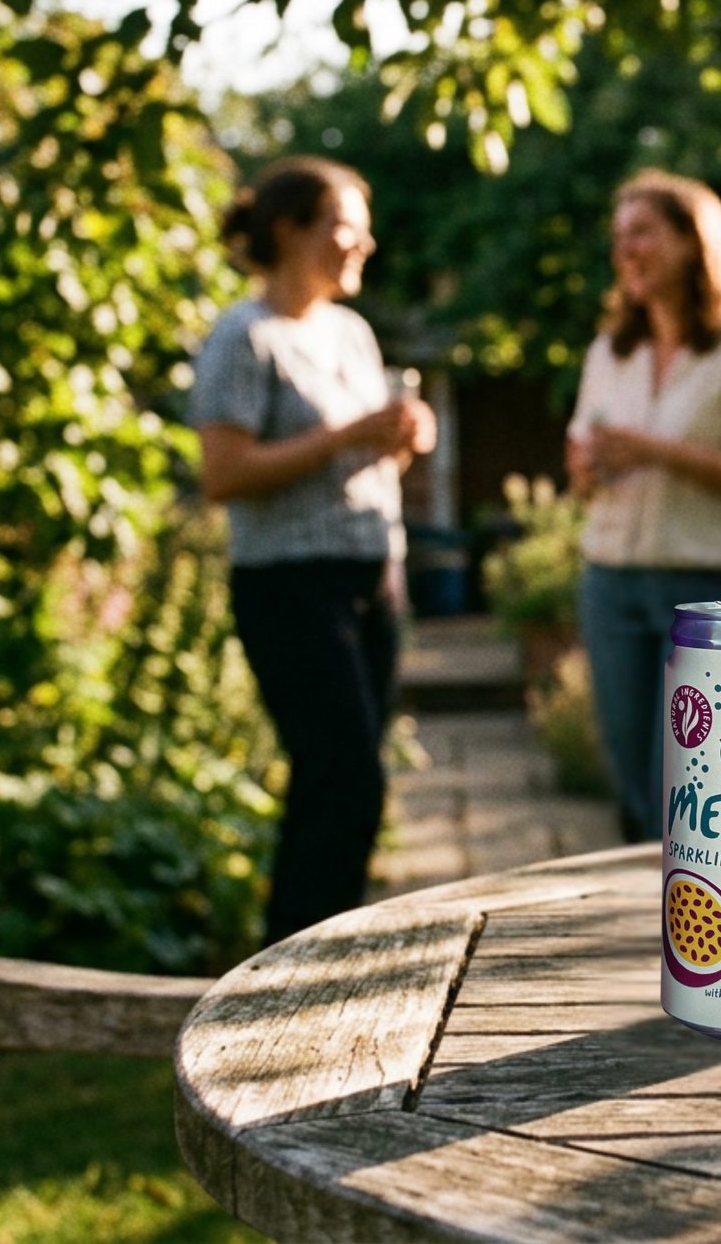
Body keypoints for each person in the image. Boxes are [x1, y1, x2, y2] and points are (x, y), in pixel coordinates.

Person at [189, 156, 436, 944]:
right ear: (291, 230)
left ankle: (324, 946)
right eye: (346, 225)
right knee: (342, 776)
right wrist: (353, 434)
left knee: (353, 774)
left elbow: (357, 458)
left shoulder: (352, 333)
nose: (363, 242)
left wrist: (400, 439)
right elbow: (223, 474)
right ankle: (295, 953)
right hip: (289, 586)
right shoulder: (244, 335)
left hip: (373, 572)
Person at [567, 171, 721, 841]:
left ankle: (705, 932)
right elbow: (580, 470)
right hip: (611, 582)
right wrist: (589, 465)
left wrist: (655, 449)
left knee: (695, 790)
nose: (627, 251)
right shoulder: (611, 351)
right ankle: (642, 930)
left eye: (642, 232)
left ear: (691, 240)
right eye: (619, 239)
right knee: (634, 787)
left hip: (709, 594)